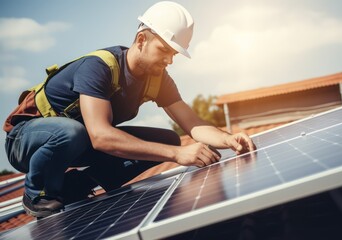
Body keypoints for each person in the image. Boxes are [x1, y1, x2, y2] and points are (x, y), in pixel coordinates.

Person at [3, 1, 255, 218]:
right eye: (165, 50)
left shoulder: (158, 79)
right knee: (74, 132)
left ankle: (78, 185)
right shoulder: (99, 67)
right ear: (142, 39)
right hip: (26, 141)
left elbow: (193, 124)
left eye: (174, 54)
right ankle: (36, 193)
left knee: (166, 139)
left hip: (77, 143)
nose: (169, 60)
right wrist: (177, 154)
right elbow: (101, 137)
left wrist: (227, 138)